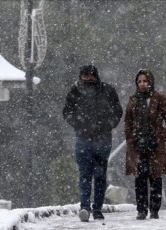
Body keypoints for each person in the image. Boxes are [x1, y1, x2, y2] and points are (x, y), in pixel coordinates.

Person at [63, 65, 123, 222]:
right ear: (81, 76)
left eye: (90, 75)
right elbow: (67, 112)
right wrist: (79, 124)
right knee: (86, 174)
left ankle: (96, 208)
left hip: (101, 139)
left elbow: (117, 111)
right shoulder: (75, 91)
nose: (88, 78)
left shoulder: (107, 90)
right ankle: (85, 207)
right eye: (85, 76)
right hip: (84, 138)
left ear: (95, 76)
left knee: (99, 175)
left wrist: (108, 125)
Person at [124, 69, 166, 220]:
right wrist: (131, 138)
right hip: (138, 145)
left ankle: (154, 210)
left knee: (155, 177)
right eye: (139, 81)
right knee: (140, 178)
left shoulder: (160, 98)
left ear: (150, 81)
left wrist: (161, 136)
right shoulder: (133, 100)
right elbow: (128, 121)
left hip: (155, 145)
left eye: (145, 81)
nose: (142, 84)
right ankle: (141, 210)